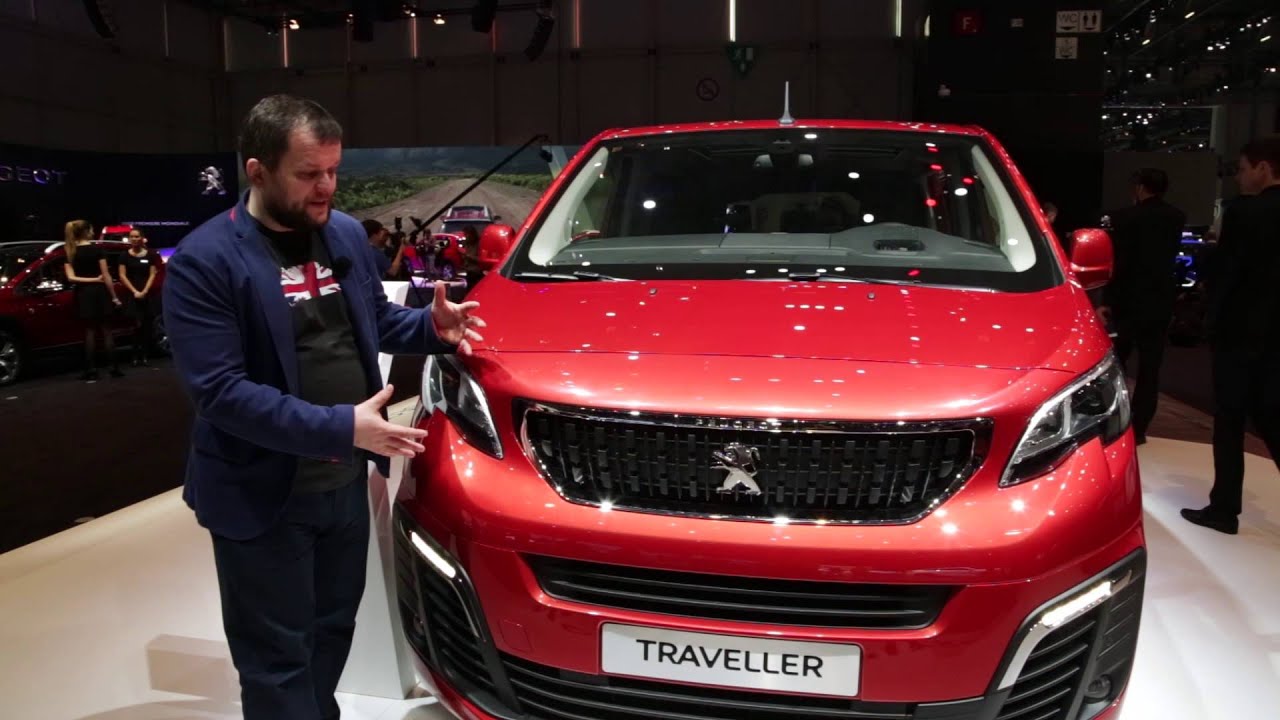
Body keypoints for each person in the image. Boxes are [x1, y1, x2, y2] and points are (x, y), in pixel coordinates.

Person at [161, 94, 486, 720]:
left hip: (341, 484)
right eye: (309, 173)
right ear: (257, 171)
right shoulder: (206, 260)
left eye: (334, 171)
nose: (327, 188)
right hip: (262, 495)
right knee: (276, 656)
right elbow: (220, 392)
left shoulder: (342, 235)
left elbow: (374, 321)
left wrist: (430, 328)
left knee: (332, 629)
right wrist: (343, 427)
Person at [1183, 136, 1280, 535]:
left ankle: (1223, 510)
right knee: (1272, 416)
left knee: (1229, 420)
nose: (1239, 177)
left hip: (1240, 332)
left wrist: (1210, 320)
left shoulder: (1244, 212)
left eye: (1242, 169)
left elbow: (1228, 274)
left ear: (1263, 168)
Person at [1098, 168, 1186, 444]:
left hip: (1127, 299)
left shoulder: (1124, 218)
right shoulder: (1176, 217)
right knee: (1150, 369)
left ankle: (1116, 422)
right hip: (1159, 300)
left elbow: (1120, 264)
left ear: (1139, 187)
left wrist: (1107, 300)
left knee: (1117, 363)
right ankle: (1141, 427)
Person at [63, 219, 123, 380]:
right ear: (86, 231)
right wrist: (114, 297)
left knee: (89, 331)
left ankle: (91, 370)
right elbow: (106, 276)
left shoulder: (70, 251)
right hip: (100, 292)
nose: (93, 232)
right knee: (107, 330)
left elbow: (71, 278)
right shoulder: (97, 250)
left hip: (83, 294)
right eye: (91, 230)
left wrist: (90, 280)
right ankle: (114, 368)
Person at [117, 228, 160, 366]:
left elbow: (152, 274)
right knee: (135, 325)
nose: (134, 239)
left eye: (137, 236)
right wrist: (134, 291)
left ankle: (145, 355)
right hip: (132, 293)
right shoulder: (124, 255)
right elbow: (122, 275)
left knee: (146, 325)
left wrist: (145, 291)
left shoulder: (150, 255)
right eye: (132, 237)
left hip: (146, 292)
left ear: (142, 238)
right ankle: (134, 354)